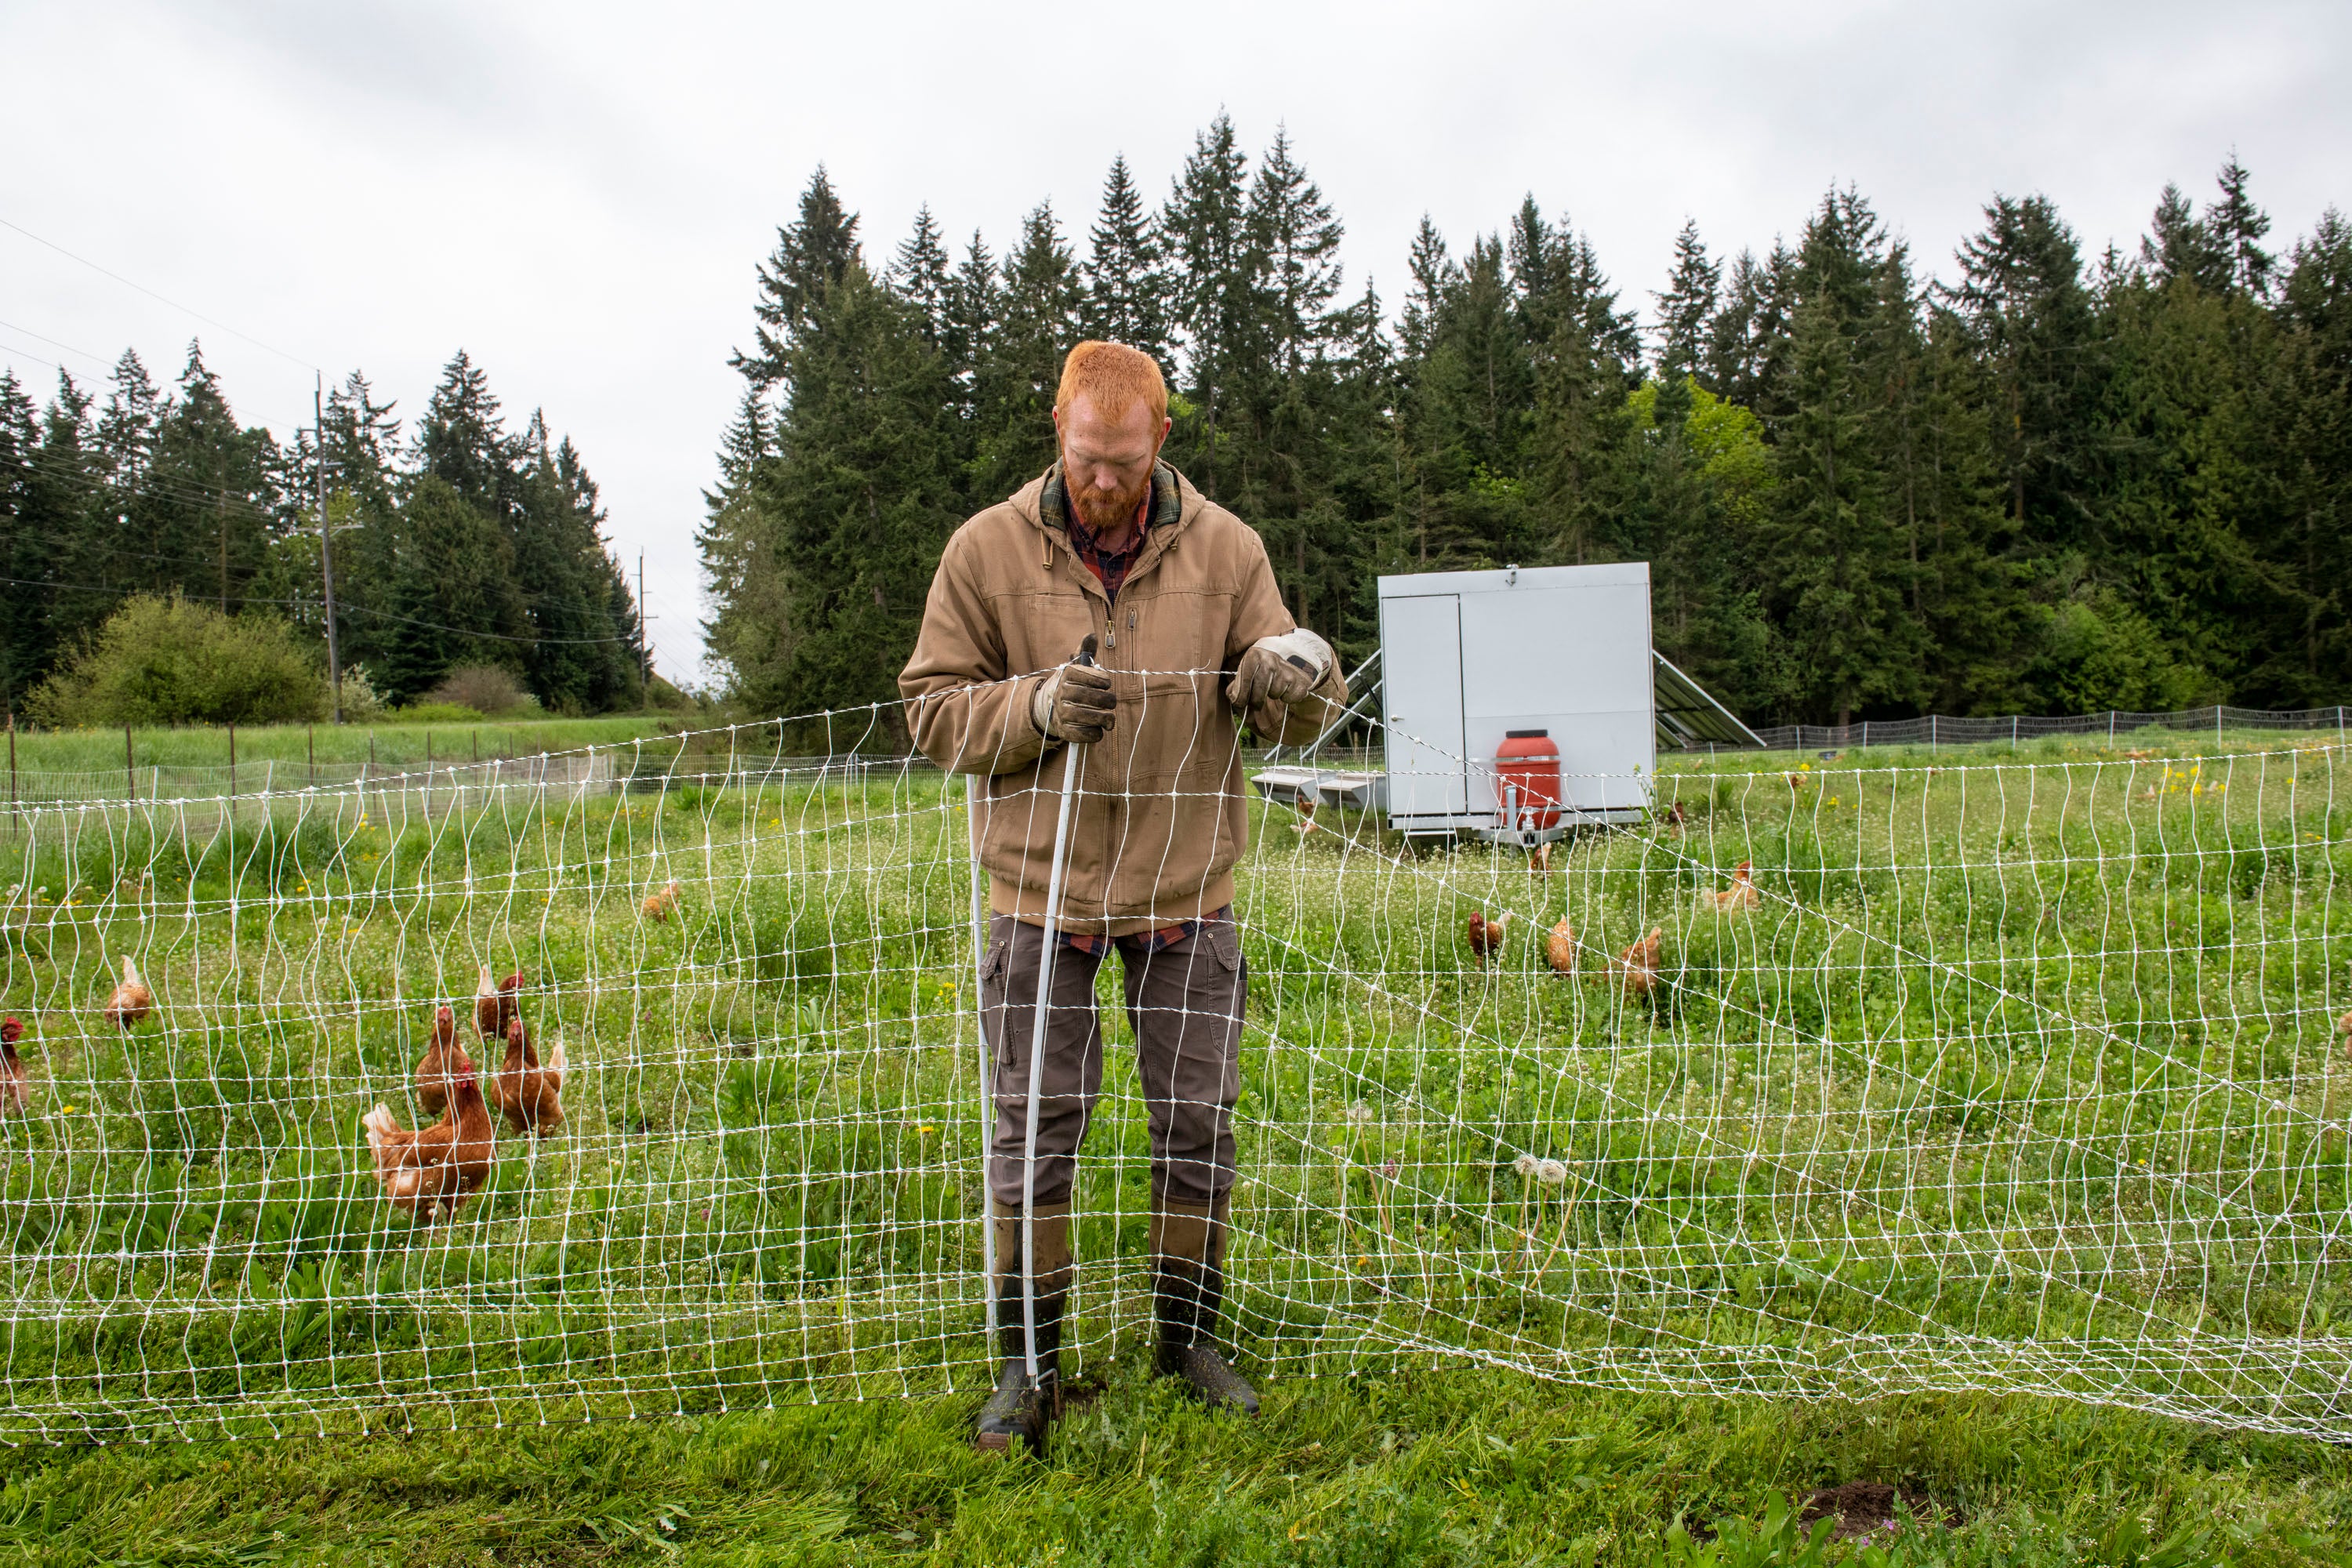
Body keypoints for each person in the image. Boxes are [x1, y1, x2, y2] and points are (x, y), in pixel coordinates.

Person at [900, 340, 1347, 1452]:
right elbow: (932, 712)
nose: (1104, 482)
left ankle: (1186, 1341)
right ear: (1059, 429)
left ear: (1161, 439)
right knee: (1034, 1131)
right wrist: (1036, 709)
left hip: (1185, 889)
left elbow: (1290, 688)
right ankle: (1027, 1362)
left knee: (1195, 1126)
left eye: (1125, 461)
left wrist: (1290, 678)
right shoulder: (984, 551)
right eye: (1088, 458)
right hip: (1036, 898)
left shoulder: (1230, 550)